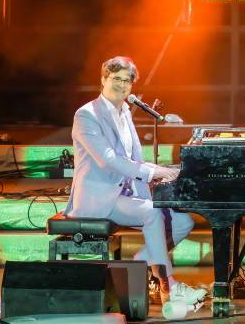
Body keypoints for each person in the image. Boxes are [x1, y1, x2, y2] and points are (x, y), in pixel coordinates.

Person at [63, 56, 206, 304]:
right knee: (152, 214)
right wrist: (154, 173)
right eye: (115, 78)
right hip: (98, 200)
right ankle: (168, 287)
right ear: (103, 80)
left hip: (126, 194)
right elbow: (108, 159)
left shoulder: (125, 112)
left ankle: (136, 267)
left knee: (182, 221)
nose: (121, 84)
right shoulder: (86, 115)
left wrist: (164, 170)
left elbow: (134, 158)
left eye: (126, 80)